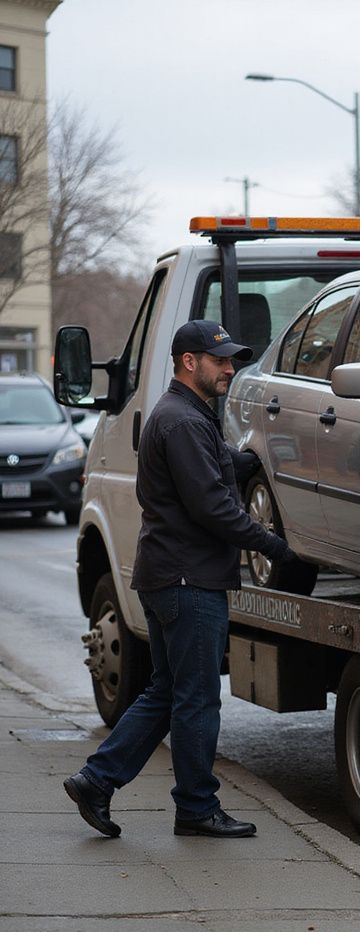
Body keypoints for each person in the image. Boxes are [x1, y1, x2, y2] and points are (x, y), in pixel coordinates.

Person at [64, 320, 296, 839]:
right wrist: (273, 546)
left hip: (170, 575)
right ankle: (195, 807)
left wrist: (248, 462)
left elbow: (212, 471)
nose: (230, 369)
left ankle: (96, 781)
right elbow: (211, 505)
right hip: (188, 582)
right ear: (189, 362)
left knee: (167, 693)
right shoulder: (183, 421)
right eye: (221, 361)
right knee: (195, 699)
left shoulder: (185, 416)